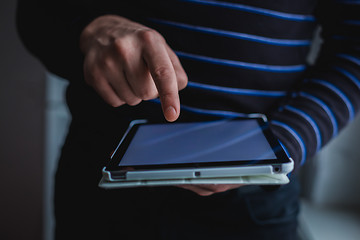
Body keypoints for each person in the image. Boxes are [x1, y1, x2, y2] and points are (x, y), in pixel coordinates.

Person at [17, 0, 360, 239]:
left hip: (253, 201)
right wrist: (89, 31)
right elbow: (35, 12)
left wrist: (281, 146)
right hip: (99, 182)